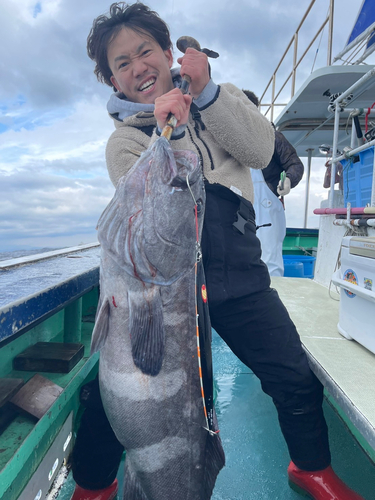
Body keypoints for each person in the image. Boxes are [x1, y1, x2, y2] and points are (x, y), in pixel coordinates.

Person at [70, 3, 364, 499]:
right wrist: (171, 133)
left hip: (238, 274)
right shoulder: (123, 142)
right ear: (113, 82)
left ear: (169, 53)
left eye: (145, 51)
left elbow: (260, 150)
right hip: (167, 285)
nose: (138, 67)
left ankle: (310, 468)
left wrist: (205, 96)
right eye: (122, 64)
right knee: (110, 394)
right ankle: (94, 485)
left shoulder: (220, 101)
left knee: (291, 371)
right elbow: (153, 208)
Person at [243, 90, 304, 276]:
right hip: (240, 206)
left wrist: (288, 181)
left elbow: (295, 164)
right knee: (240, 257)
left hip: (267, 209)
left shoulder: (273, 138)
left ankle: (272, 300)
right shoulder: (230, 141)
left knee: (270, 263)